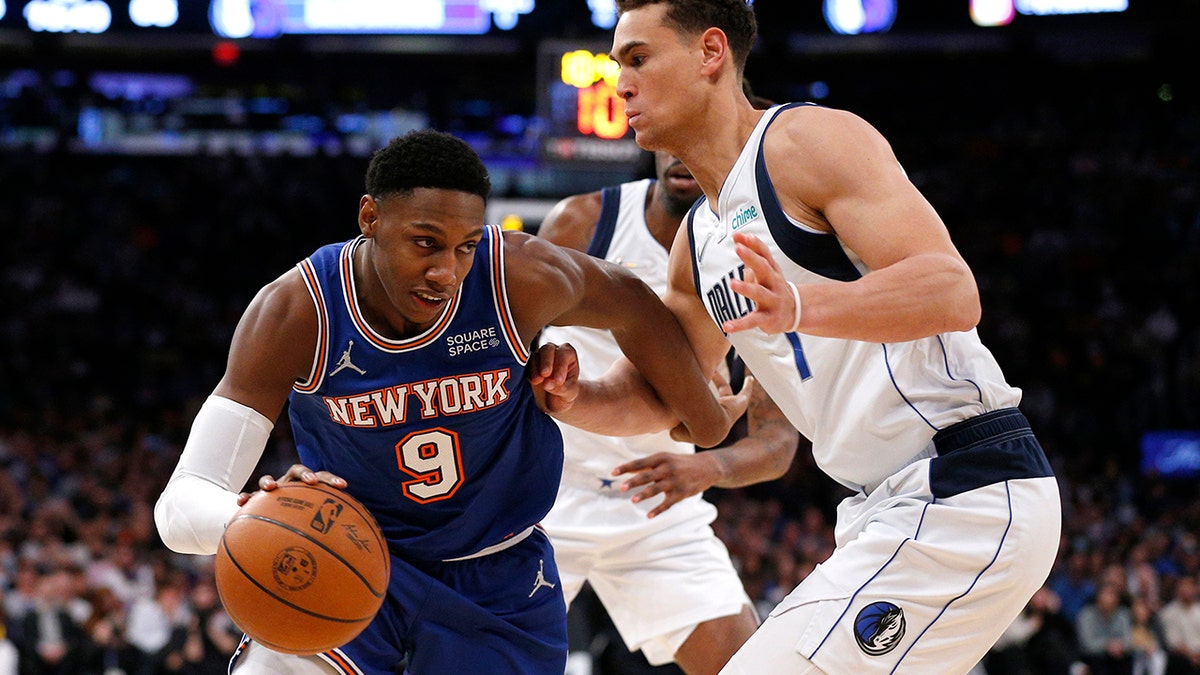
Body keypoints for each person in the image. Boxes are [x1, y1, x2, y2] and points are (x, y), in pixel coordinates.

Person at [533, 1, 1063, 672]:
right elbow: (666, 398)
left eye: (639, 59)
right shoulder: (696, 244)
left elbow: (951, 290)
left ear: (710, 53)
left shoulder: (804, 142)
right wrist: (570, 396)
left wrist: (802, 307)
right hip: (884, 507)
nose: (621, 84)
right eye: (618, 66)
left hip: (967, 484)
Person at [153, 129, 747, 675]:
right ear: (370, 217)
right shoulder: (296, 311)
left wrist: (706, 419)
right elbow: (179, 508)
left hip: (501, 573)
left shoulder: (515, 275)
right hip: (352, 554)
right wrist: (253, 516)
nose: (446, 271)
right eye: (425, 243)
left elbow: (635, 303)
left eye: (464, 246)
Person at [537, 144, 799, 674]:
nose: (686, 155)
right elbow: (498, 355)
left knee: (748, 666)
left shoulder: (753, 264)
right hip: (541, 498)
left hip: (655, 510)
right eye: (677, 141)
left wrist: (711, 465)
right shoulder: (585, 221)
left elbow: (777, 443)